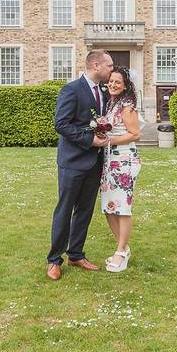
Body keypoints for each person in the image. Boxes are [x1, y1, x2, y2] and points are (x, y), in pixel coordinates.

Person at [46, 49, 114, 281]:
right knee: (64, 210)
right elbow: (61, 124)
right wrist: (90, 140)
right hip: (73, 162)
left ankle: (76, 253)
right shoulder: (71, 89)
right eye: (109, 66)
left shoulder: (104, 93)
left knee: (84, 211)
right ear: (96, 66)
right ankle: (54, 260)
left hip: (95, 162)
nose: (111, 70)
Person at [99, 66, 143, 273]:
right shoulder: (111, 103)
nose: (113, 85)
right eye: (111, 81)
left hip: (124, 160)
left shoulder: (127, 106)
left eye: (118, 82)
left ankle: (120, 252)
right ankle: (123, 248)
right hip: (109, 161)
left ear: (125, 85)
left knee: (122, 207)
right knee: (108, 207)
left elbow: (135, 134)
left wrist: (109, 140)